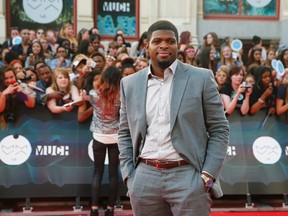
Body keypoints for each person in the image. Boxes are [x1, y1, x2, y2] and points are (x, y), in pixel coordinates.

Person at [118, 20, 229, 216]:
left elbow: (219, 129)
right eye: (157, 41)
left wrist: (207, 176)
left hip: (188, 176)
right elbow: (125, 132)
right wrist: (130, 177)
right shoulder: (130, 84)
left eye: (170, 41)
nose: (163, 45)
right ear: (147, 46)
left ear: (178, 46)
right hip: (145, 177)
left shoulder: (201, 78)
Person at [87, 66, 122, 216]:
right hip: (115, 137)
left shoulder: (93, 94)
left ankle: (94, 209)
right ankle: (110, 209)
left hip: (99, 137)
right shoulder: (122, 96)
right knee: (113, 174)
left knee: (97, 172)